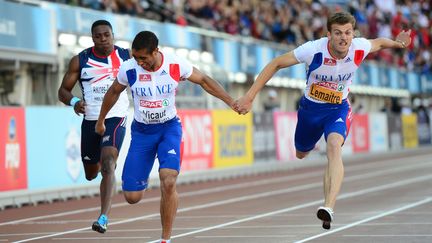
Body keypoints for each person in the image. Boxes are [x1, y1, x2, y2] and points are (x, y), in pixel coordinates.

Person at [234, 11, 411, 230]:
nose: (343, 38)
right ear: (329, 34)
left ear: (352, 34)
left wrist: (397, 43)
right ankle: (309, 150)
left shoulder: (358, 47)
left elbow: (379, 43)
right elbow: (276, 63)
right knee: (301, 153)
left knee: (334, 146)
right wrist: (249, 96)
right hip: (310, 110)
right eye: (337, 33)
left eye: (347, 33)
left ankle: (328, 206)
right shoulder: (313, 49)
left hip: (338, 109)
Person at [95, 30, 235, 243]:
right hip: (142, 133)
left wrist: (231, 101)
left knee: (168, 180)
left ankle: (165, 239)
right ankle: (148, 187)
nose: (139, 62)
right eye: (135, 57)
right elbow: (113, 92)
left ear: (155, 52)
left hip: (169, 129)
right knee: (132, 197)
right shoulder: (129, 69)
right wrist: (101, 119)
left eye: (143, 57)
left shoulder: (175, 65)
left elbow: (205, 80)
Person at [57, 20, 130, 233]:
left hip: (115, 118)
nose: (103, 39)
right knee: (91, 172)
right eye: (98, 36)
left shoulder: (126, 56)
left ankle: (103, 217)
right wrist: (74, 102)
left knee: (108, 163)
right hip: (90, 120)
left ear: (113, 35)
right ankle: (101, 169)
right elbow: (63, 91)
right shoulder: (80, 61)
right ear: (92, 38)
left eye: (107, 34)